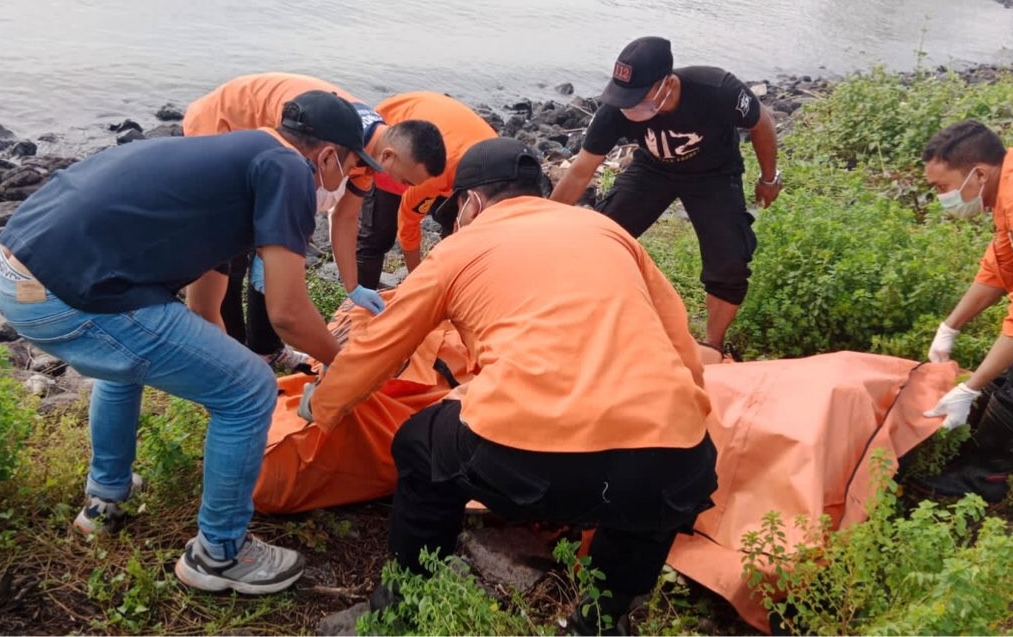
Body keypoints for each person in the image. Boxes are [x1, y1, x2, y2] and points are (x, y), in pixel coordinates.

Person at [301, 137, 719, 633]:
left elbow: (379, 347)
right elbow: (682, 347)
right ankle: (604, 620)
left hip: (526, 458)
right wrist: (691, 419)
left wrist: (322, 405)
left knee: (419, 446)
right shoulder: (607, 231)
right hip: (671, 460)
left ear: (472, 203)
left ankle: (401, 605)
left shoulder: (461, 247)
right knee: (656, 485)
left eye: (456, 209)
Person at [0, 90, 373, 594]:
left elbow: (202, 309)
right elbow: (288, 314)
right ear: (327, 155)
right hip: (67, 293)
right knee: (252, 388)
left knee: (127, 365)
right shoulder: (289, 171)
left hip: (14, 269)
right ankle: (219, 554)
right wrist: (346, 367)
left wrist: (213, 367)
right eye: (349, 165)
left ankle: (106, 499)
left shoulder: (233, 158)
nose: (347, 179)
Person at [182, 73, 447, 365]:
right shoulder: (318, 143)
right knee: (230, 248)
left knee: (272, 250)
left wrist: (353, 287)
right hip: (225, 121)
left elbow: (345, 219)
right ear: (389, 156)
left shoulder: (369, 154)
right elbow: (288, 307)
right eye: (408, 180)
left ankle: (265, 348)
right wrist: (340, 364)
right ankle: (233, 355)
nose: (407, 189)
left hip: (278, 138)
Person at [551, 36, 780, 358]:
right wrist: (542, 221)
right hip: (652, 170)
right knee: (601, 235)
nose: (629, 105)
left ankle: (712, 345)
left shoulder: (716, 89)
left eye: (637, 97)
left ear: (667, 83)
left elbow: (761, 122)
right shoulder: (616, 109)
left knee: (729, 260)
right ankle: (584, 317)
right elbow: (580, 171)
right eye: (623, 96)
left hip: (714, 174)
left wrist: (769, 179)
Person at [916, 120, 1013, 503]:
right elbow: (1001, 267)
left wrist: (969, 388)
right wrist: (950, 327)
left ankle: (982, 479)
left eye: (942, 188)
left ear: (977, 173)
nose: (941, 198)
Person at [356, 91, 497, 288]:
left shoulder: (504, 187)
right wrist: (417, 282)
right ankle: (360, 304)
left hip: (451, 137)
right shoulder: (428, 177)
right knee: (379, 234)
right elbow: (408, 224)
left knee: (458, 231)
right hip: (398, 133)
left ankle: (451, 285)